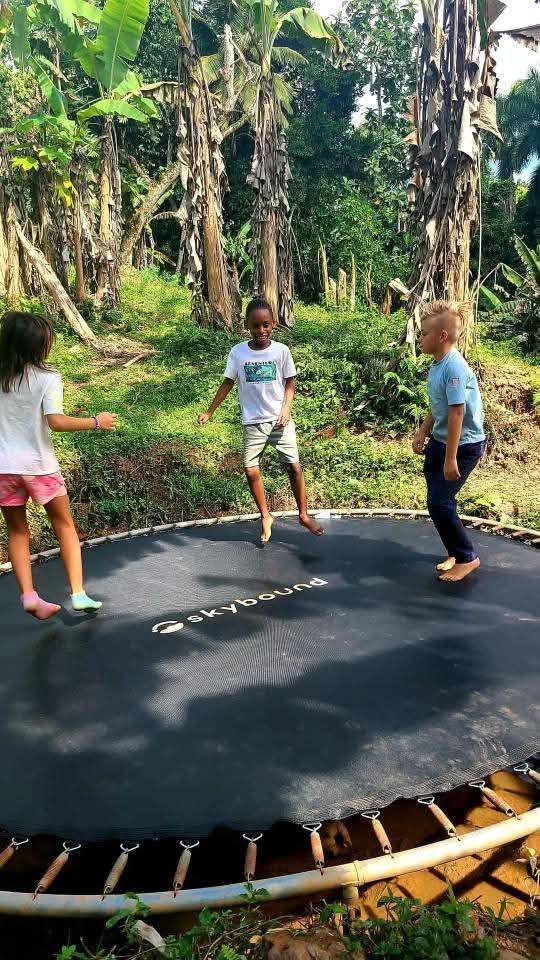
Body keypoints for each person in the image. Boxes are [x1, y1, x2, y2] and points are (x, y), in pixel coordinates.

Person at [0, 311, 117, 619]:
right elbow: (56, 422)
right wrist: (96, 421)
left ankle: (28, 595)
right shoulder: (47, 378)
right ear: (39, 346)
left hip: (3, 469)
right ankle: (77, 593)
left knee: (17, 531)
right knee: (64, 525)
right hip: (39, 466)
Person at [198, 296, 323, 543]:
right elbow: (227, 383)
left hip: (279, 421)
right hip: (252, 421)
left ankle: (304, 515)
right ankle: (265, 516)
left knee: (294, 467)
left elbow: (290, 382)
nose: (261, 330)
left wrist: (286, 409)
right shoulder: (238, 353)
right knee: (250, 469)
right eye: (256, 326)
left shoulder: (281, 351)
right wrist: (210, 411)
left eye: (265, 325)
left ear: (273, 324)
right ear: (247, 326)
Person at [412, 300, 486, 582]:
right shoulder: (438, 364)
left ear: (441, 336)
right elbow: (439, 404)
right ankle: (455, 551)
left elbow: (457, 413)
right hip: (441, 440)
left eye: (424, 333)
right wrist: (423, 431)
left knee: (440, 502)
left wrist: (451, 457)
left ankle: (467, 558)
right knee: (438, 501)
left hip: (463, 446)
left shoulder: (454, 367)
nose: (420, 338)